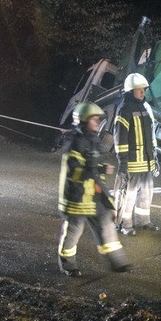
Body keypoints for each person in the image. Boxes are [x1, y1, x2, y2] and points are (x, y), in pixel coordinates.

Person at [57, 101, 131, 276]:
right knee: (73, 232)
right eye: (94, 119)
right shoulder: (75, 143)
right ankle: (68, 265)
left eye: (99, 119)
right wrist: (98, 170)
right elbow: (75, 172)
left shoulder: (92, 140)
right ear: (83, 120)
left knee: (106, 225)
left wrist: (101, 176)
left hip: (93, 195)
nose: (98, 122)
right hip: (76, 198)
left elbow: (92, 169)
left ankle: (118, 261)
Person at [113, 73, 160, 235]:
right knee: (129, 195)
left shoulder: (145, 108)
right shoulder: (124, 110)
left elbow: (151, 134)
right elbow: (120, 139)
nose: (142, 93)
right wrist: (122, 163)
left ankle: (143, 221)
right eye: (139, 90)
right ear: (130, 91)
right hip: (132, 162)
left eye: (143, 90)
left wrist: (154, 155)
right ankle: (124, 224)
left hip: (146, 161)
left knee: (147, 193)